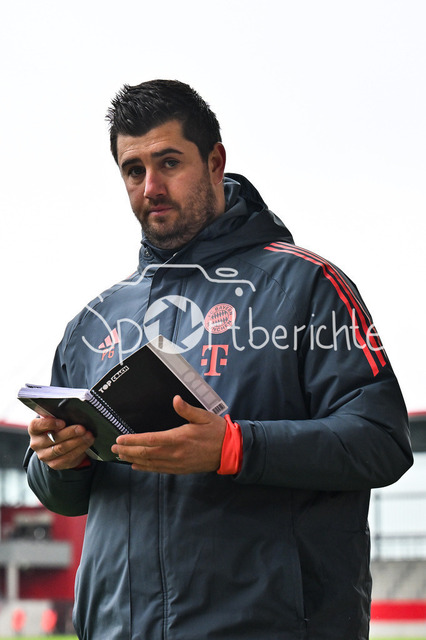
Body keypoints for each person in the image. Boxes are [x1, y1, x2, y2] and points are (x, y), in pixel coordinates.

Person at [25, 79, 413, 640]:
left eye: (169, 162)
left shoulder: (308, 286)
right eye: (133, 170)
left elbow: (382, 441)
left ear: (214, 162)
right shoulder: (94, 323)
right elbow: (61, 496)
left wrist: (235, 447)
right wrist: (60, 460)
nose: (151, 187)